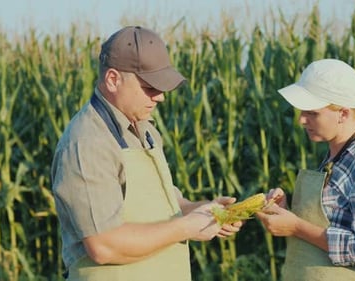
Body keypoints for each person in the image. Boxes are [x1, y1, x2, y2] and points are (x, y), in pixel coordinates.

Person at [51, 26, 242, 281]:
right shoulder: (88, 143)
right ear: (112, 79)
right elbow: (103, 244)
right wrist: (187, 227)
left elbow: (168, 206)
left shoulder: (145, 130)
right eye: (150, 87)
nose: (160, 97)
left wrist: (206, 211)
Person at [256, 59, 355, 281]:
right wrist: (286, 213)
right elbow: (330, 224)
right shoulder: (335, 157)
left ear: (343, 113)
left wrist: (296, 227)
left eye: (312, 113)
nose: (302, 120)